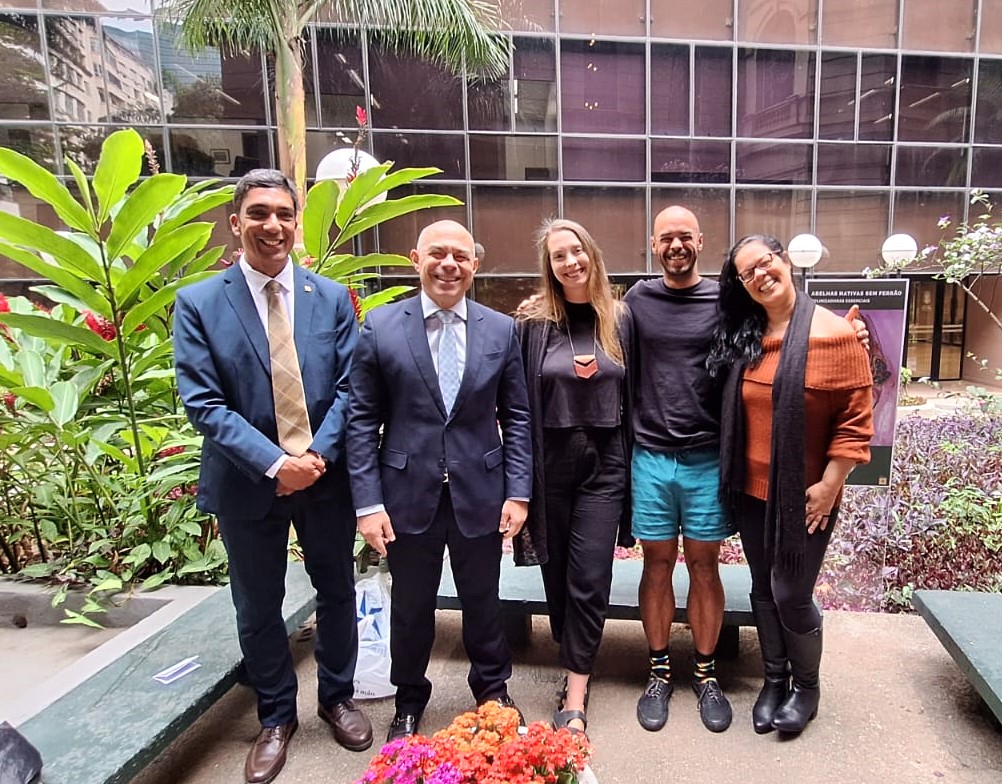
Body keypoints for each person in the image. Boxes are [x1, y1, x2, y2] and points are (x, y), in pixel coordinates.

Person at [174, 169, 372, 784]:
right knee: (257, 603)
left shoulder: (330, 298)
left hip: (324, 478)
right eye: (258, 213)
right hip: (247, 481)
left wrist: (312, 461)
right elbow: (203, 402)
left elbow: (351, 388)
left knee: (337, 591)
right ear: (236, 222)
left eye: (284, 214)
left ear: (296, 221)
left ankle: (337, 697)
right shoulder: (201, 302)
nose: (273, 226)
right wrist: (275, 464)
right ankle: (276, 717)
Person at [346, 219, 533, 743]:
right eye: (437, 254)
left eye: (460, 256)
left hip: (481, 490)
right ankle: (408, 699)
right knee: (411, 606)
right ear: (415, 259)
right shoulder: (382, 327)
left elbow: (517, 416)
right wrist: (367, 504)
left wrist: (518, 491)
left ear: (475, 264)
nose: (449, 264)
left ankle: (492, 691)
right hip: (406, 496)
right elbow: (362, 422)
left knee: (485, 601)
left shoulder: (501, 329)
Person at [707, 234, 873, 735]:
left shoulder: (835, 334)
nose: (760, 274)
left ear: (784, 261)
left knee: (791, 592)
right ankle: (773, 681)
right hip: (752, 491)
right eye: (747, 272)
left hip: (805, 497)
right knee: (762, 587)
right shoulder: (745, 334)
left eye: (766, 262)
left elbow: (855, 421)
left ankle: (807, 687)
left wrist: (830, 485)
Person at [514, 218, 634, 738]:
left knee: (589, 577)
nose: (570, 262)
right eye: (559, 255)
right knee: (556, 572)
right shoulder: (532, 322)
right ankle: (573, 651)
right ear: (550, 265)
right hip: (550, 462)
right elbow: (516, 405)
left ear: (592, 254)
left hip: (604, 463)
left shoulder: (621, 318)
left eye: (577, 250)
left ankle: (577, 689)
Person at [625, 206, 737, 734]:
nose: (676, 245)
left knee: (704, 566)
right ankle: (659, 670)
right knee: (655, 565)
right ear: (652, 244)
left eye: (685, 237)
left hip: (706, 456)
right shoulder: (637, 300)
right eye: (666, 237)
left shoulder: (724, 298)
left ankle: (707, 674)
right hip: (650, 455)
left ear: (701, 240)